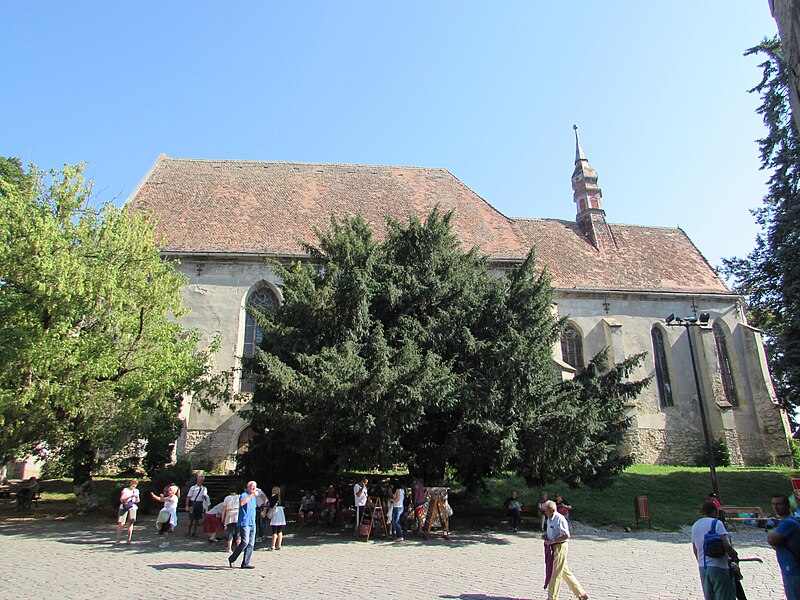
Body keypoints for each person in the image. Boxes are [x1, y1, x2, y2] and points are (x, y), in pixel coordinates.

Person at [690, 500, 738, 600]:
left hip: (703, 568)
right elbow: (727, 546)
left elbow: (695, 550)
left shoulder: (695, 525)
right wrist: (734, 555)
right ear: (713, 512)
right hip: (718, 566)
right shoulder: (717, 523)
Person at [542, 500, 589, 600]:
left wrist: (553, 541)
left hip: (560, 547)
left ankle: (552, 597)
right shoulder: (550, 518)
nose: (544, 512)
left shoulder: (559, 519)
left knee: (555, 573)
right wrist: (546, 536)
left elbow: (566, 535)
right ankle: (581, 594)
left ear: (552, 510)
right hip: (553, 547)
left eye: (546, 510)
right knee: (564, 571)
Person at [767, 493, 800, 599]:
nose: (776, 507)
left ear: (787, 505)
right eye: (773, 504)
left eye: (779, 504)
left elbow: (771, 540)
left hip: (792, 569)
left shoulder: (788, 523)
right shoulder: (792, 521)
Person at [228, 481, 259, 569]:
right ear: (248, 487)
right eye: (252, 487)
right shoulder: (244, 495)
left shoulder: (254, 497)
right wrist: (252, 495)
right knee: (244, 542)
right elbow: (242, 503)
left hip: (252, 522)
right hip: (244, 522)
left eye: (254, 487)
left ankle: (245, 563)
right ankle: (232, 558)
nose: (253, 488)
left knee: (251, 543)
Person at [151, 484, 179, 548]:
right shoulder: (168, 497)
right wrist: (154, 496)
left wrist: (163, 498)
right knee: (163, 527)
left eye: (170, 491)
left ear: (174, 492)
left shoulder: (174, 497)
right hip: (164, 514)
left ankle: (165, 542)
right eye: (169, 490)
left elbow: (170, 500)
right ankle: (165, 541)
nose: (169, 492)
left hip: (170, 514)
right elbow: (161, 499)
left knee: (166, 528)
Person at [115, 479, 139, 544]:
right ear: (130, 484)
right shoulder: (125, 490)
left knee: (130, 523)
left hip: (132, 507)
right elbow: (121, 499)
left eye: (135, 485)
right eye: (133, 485)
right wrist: (130, 496)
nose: (134, 487)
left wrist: (136, 497)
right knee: (121, 523)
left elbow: (137, 501)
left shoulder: (136, 491)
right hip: (124, 506)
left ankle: (129, 539)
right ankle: (118, 539)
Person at [221, 486, 240, 553]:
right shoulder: (239, 497)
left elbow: (224, 509)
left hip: (229, 514)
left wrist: (222, 517)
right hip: (237, 514)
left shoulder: (227, 498)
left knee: (230, 532)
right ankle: (238, 547)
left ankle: (229, 548)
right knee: (238, 532)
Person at [268, 485, 286, 550]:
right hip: (281, 513)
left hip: (275, 513)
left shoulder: (273, 497)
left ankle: (272, 546)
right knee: (280, 530)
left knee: (274, 530)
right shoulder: (281, 498)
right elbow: (284, 506)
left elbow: (270, 506)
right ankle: (279, 545)